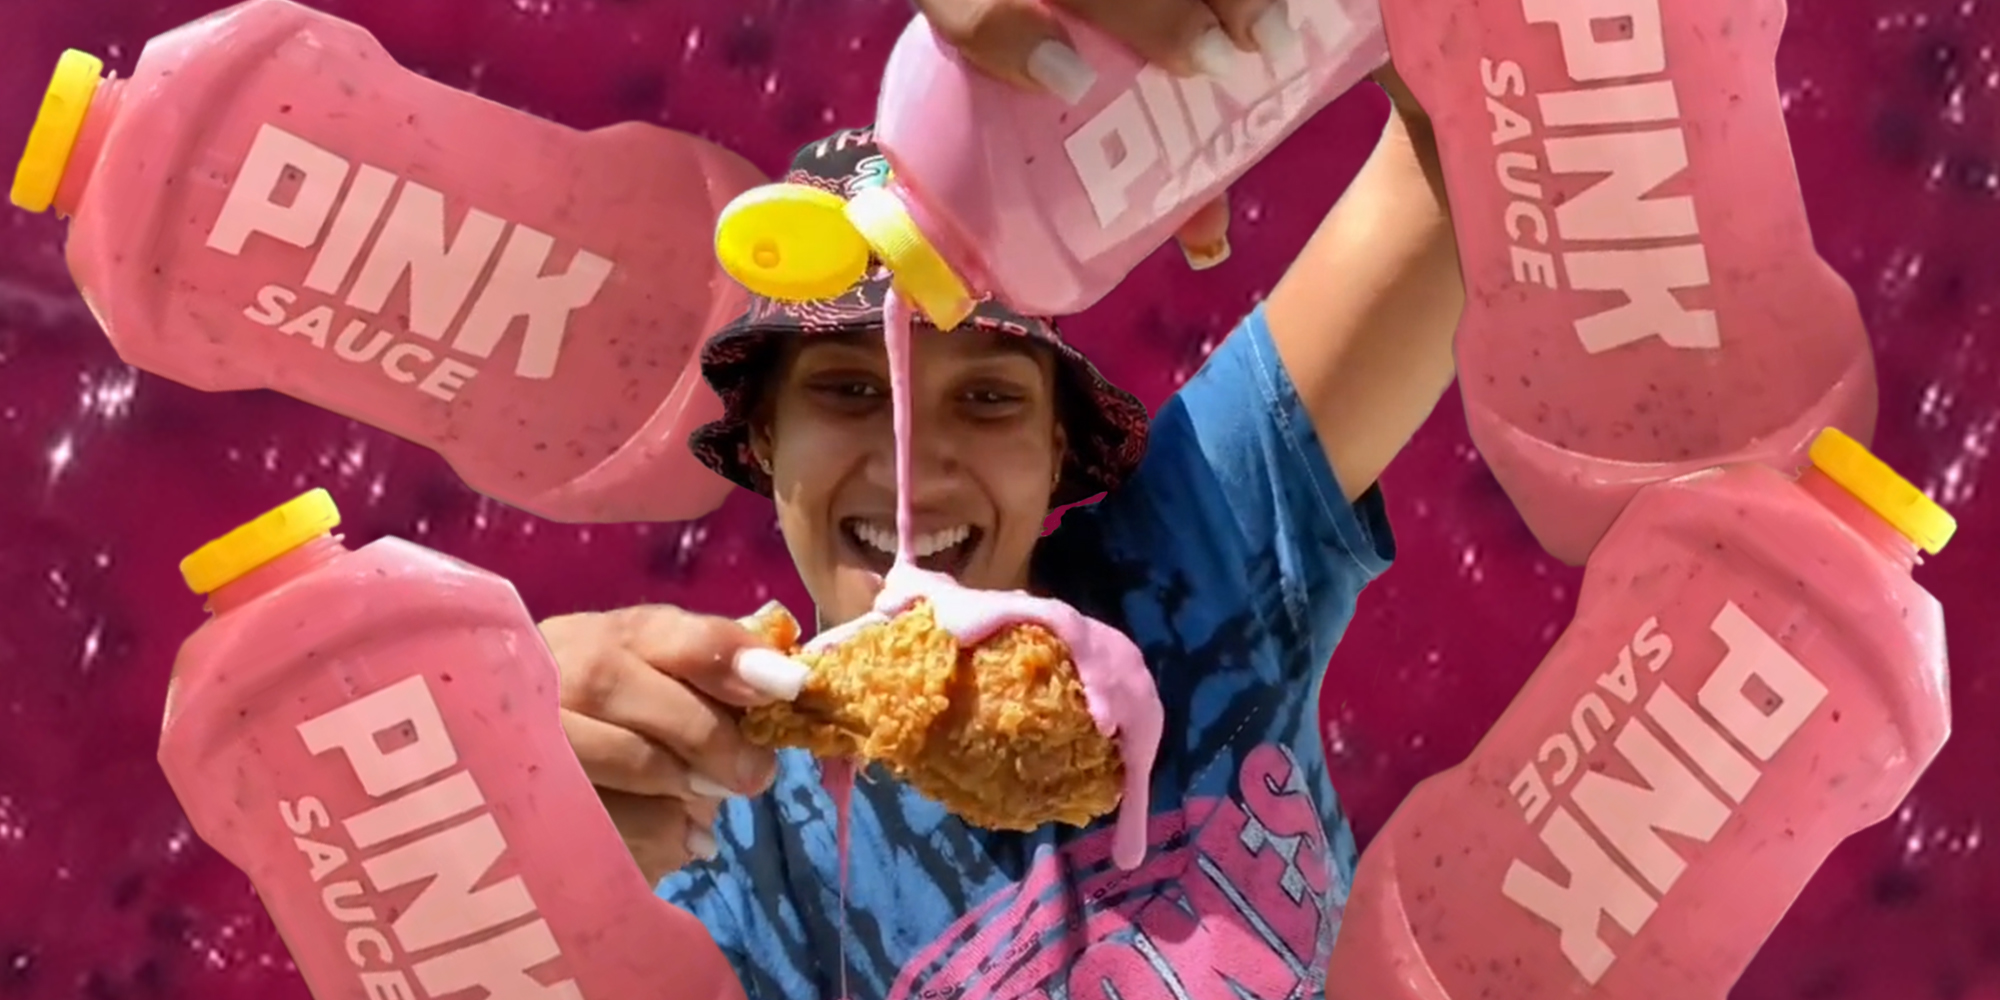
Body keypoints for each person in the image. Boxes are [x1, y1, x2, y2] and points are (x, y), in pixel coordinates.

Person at [536, 0, 1463, 995]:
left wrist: (1283, 33)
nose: (915, 465)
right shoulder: (698, 820)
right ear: (764, 438)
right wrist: (492, 806)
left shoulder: (1193, 556)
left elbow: (1476, 148)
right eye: (849, 391)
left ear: (1056, 444)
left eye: (985, 397)